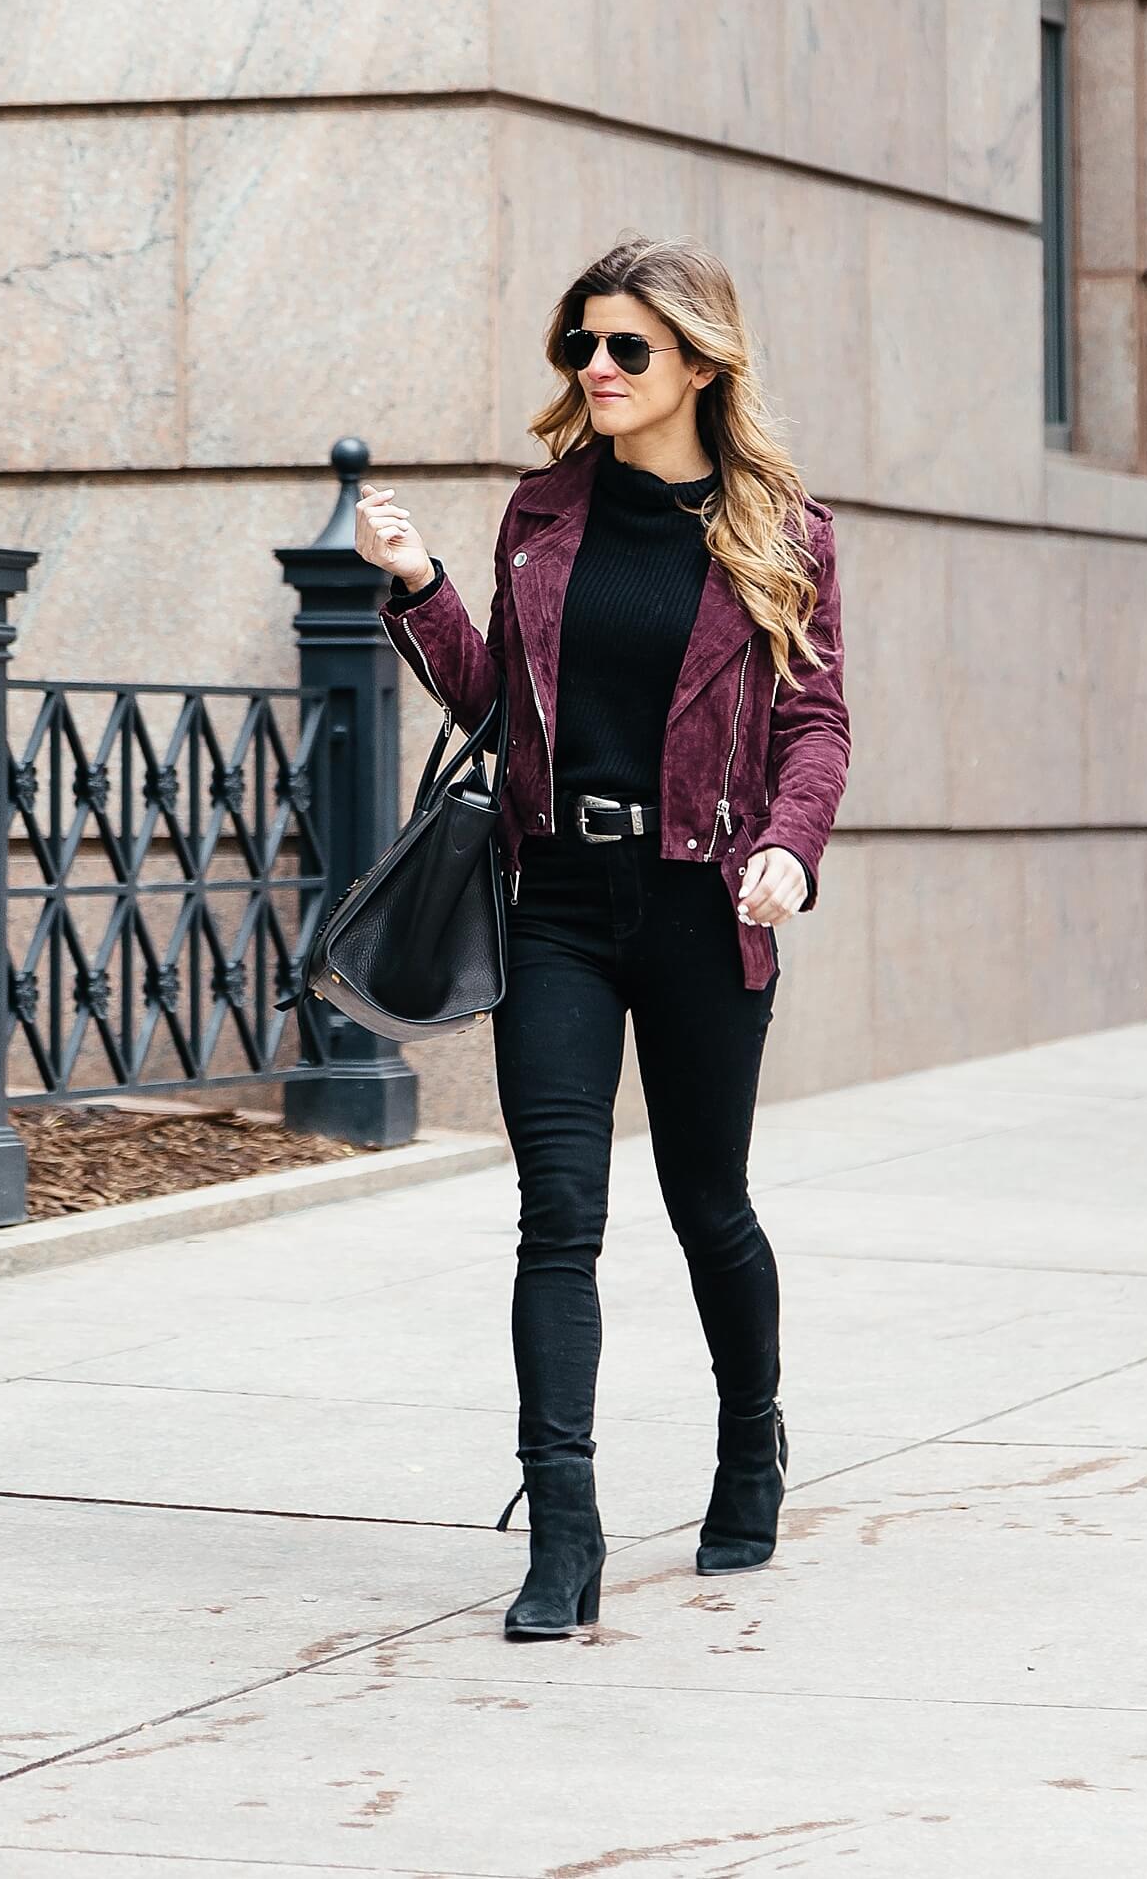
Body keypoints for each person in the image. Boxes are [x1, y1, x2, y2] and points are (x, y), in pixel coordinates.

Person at [356, 233, 850, 1641]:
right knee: (556, 1220)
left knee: (709, 1208)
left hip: (707, 905)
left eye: (627, 347)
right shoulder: (543, 511)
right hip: (559, 901)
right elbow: (492, 697)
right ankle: (561, 1532)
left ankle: (750, 1436)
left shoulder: (781, 530)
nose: (598, 369)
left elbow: (816, 723)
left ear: (700, 361)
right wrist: (415, 580)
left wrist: (788, 855)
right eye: (581, 343)